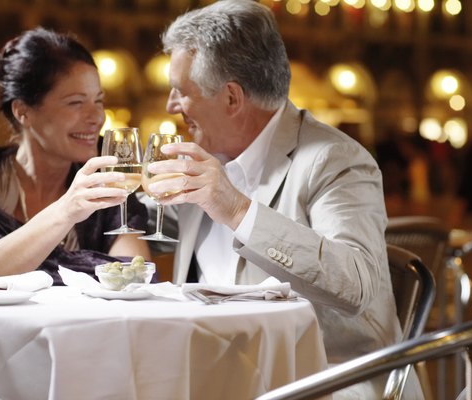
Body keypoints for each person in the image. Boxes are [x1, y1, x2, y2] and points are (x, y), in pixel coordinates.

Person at [146, 1, 414, 398]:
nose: (171, 105)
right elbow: (142, 222)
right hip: (217, 375)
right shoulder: (205, 157)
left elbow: (356, 283)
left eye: (181, 92)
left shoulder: (334, 159)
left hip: (325, 380)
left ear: (232, 99)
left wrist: (237, 209)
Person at [0, 27, 151, 290]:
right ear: (23, 112)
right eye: (76, 103)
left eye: (98, 101)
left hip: (63, 331)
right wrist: (67, 210)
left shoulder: (104, 179)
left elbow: (135, 277)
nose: (96, 117)